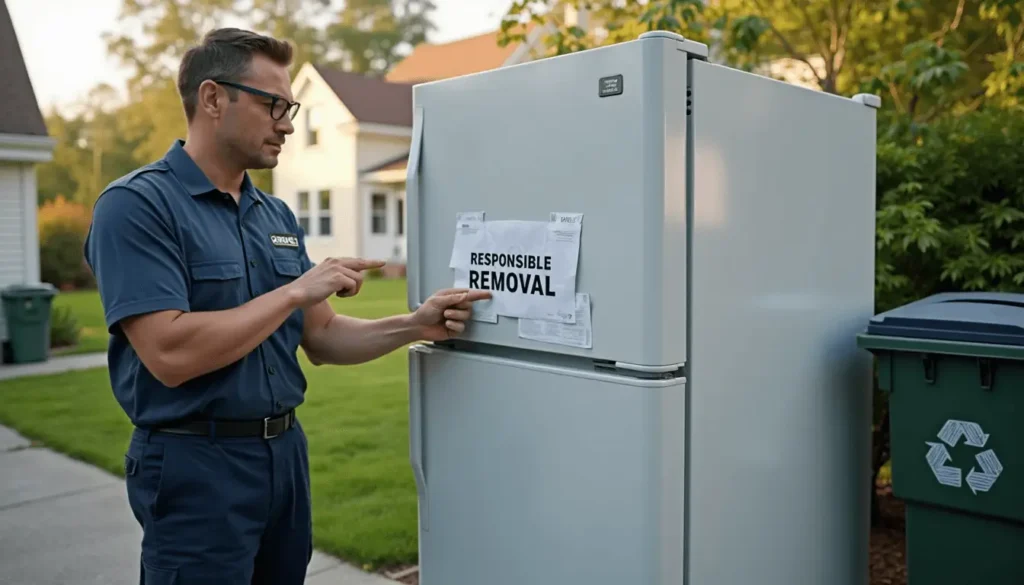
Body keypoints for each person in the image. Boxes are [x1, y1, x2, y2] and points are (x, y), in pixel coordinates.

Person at [83, 27, 489, 585]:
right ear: (212, 98)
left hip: (283, 460)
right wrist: (296, 290)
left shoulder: (273, 216)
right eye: (274, 104)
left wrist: (415, 323)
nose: (290, 124)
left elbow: (319, 337)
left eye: (291, 107)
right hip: (195, 464)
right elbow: (168, 353)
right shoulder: (137, 206)